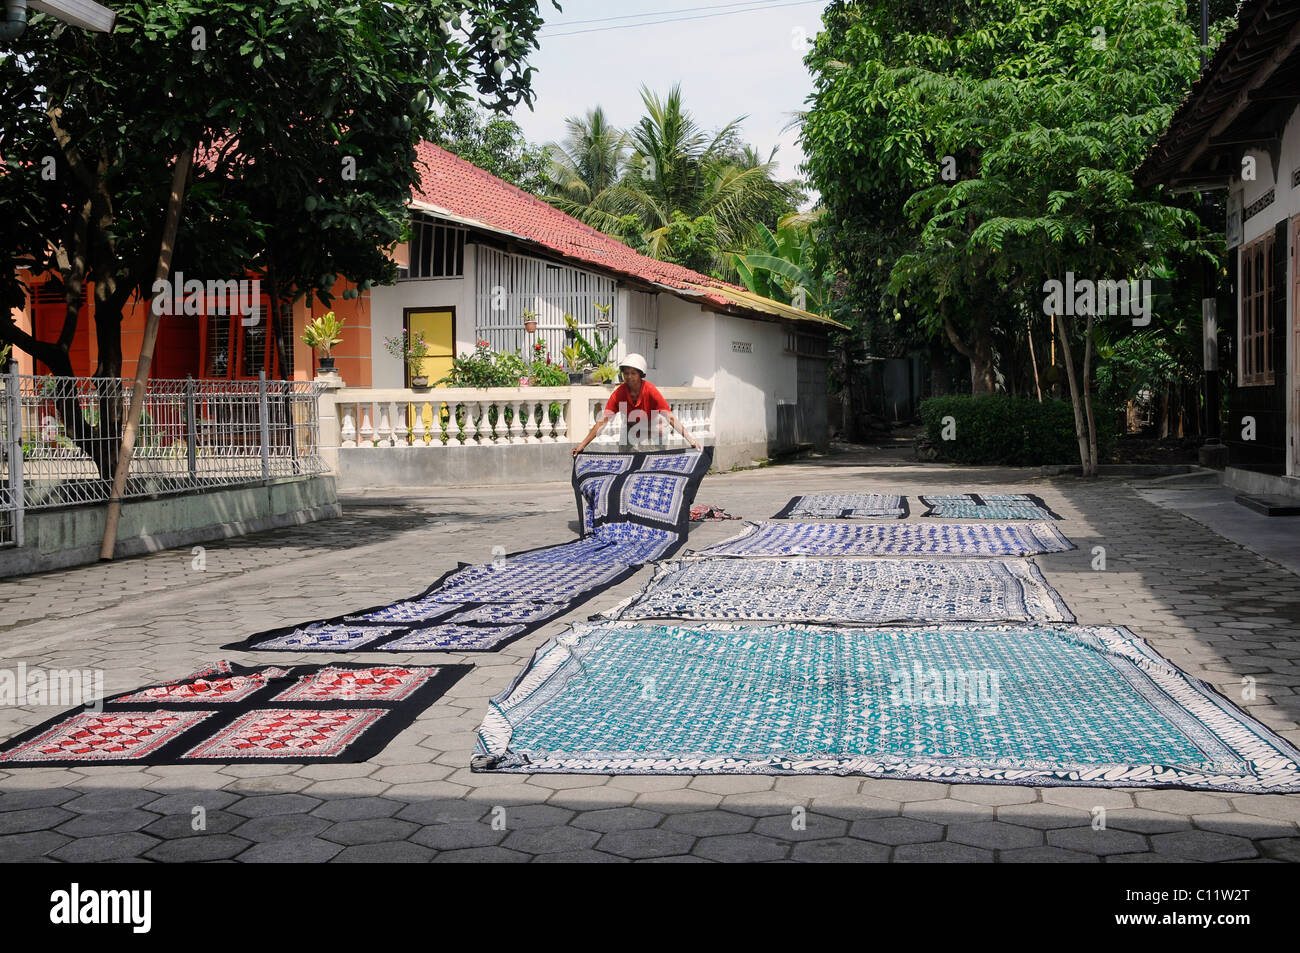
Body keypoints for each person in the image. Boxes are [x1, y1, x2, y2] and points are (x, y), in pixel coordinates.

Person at [571, 353, 700, 456]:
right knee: (627, 462)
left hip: (653, 428)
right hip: (631, 427)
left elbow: (670, 417)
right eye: (626, 373)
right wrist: (582, 445)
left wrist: (691, 440)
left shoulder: (650, 390)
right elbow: (601, 422)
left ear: (640, 375)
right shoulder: (619, 394)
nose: (629, 377)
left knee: (651, 462)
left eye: (633, 373)